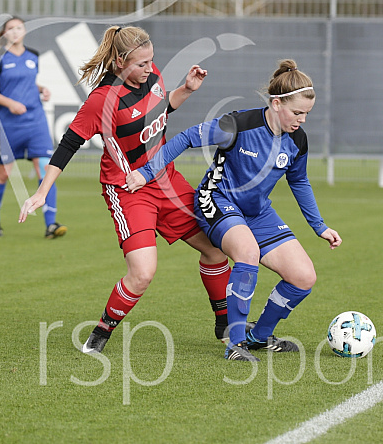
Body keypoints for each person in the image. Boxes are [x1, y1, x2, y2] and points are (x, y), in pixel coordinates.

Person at [19, 25, 232, 353]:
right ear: (119, 62)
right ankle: (99, 335)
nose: (149, 68)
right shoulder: (102, 100)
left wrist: (186, 89)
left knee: (216, 249)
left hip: (166, 179)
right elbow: (68, 144)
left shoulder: (153, 75)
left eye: (151, 61)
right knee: (143, 273)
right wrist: (42, 191)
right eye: (141, 63)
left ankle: (225, 326)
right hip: (128, 190)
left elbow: (161, 108)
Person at [125, 59, 342, 361]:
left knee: (303, 277)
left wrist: (320, 226)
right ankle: (235, 343)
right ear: (276, 103)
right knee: (248, 253)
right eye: (297, 113)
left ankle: (258, 337)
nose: (302, 120)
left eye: (306, 113)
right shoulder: (239, 124)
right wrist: (147, 172)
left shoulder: (297, 141)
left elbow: (300, 181)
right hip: (217, 200)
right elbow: (188, 137)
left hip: (257, 212)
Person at [0, 16, 67, 238]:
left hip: (36, 121)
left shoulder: (33, 55)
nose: (15, 31)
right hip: (9, 124)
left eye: (19, 27)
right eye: (10, 28)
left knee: (45, 169)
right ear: (4, 34)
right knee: (3, 173)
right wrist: (11, 103)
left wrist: (41, 89)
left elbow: (26, 81)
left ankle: (51, 224)